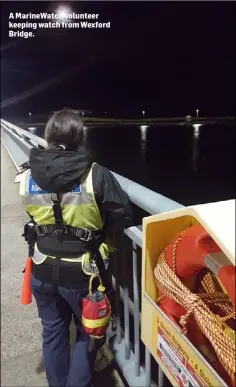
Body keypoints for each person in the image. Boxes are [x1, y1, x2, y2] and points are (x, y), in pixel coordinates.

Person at [18, 108, 134, 387]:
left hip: (42, 266)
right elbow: (124, 216)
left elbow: (33, 214)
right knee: (86, 333)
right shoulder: (96, 174)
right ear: (80, 137)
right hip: (84, 273)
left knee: (53, 331)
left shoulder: (26, 174)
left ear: (48, 138)